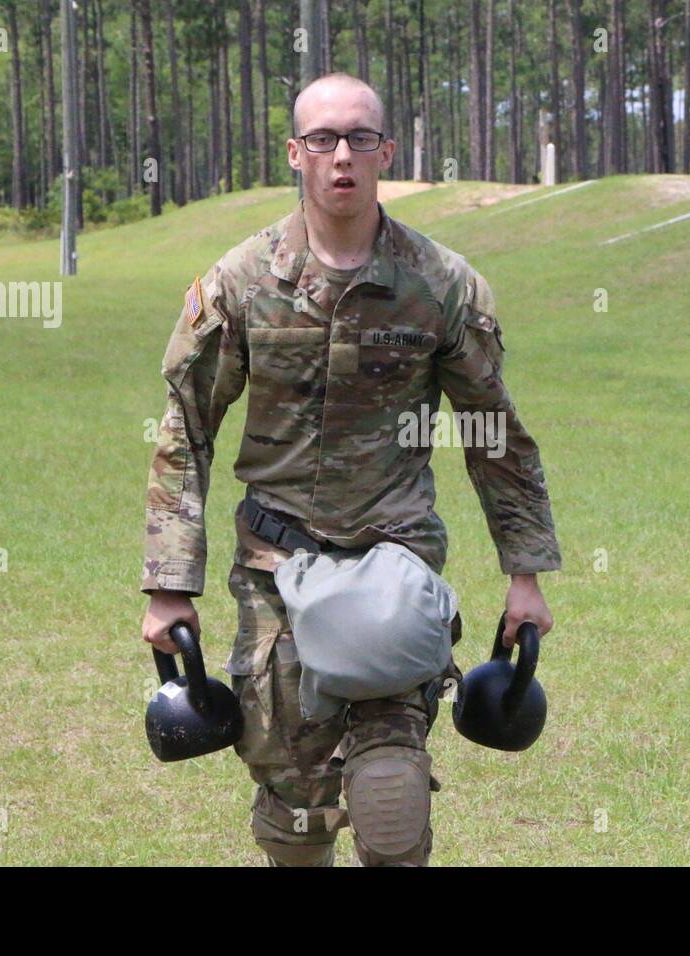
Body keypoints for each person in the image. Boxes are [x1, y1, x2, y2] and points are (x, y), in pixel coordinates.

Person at [139, 71, 560, 866]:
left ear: (385, 153)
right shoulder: (241, 282)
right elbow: (185, 429)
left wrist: (526, 572)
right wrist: (168, 582)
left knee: (390, 793)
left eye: (361, 138)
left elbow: (493, 433)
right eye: (324, 139)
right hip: (278, 565)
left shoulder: (440, 285)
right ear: (295, 153)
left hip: (392, 564)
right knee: (293, 799)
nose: (343, 155)